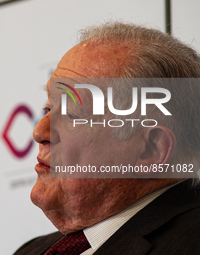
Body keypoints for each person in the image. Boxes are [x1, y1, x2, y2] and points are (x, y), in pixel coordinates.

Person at [14, 22, 200, 255]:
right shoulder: (32, 251)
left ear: (151, 149)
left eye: (72, 114)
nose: (39, 132)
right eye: (48, 108)